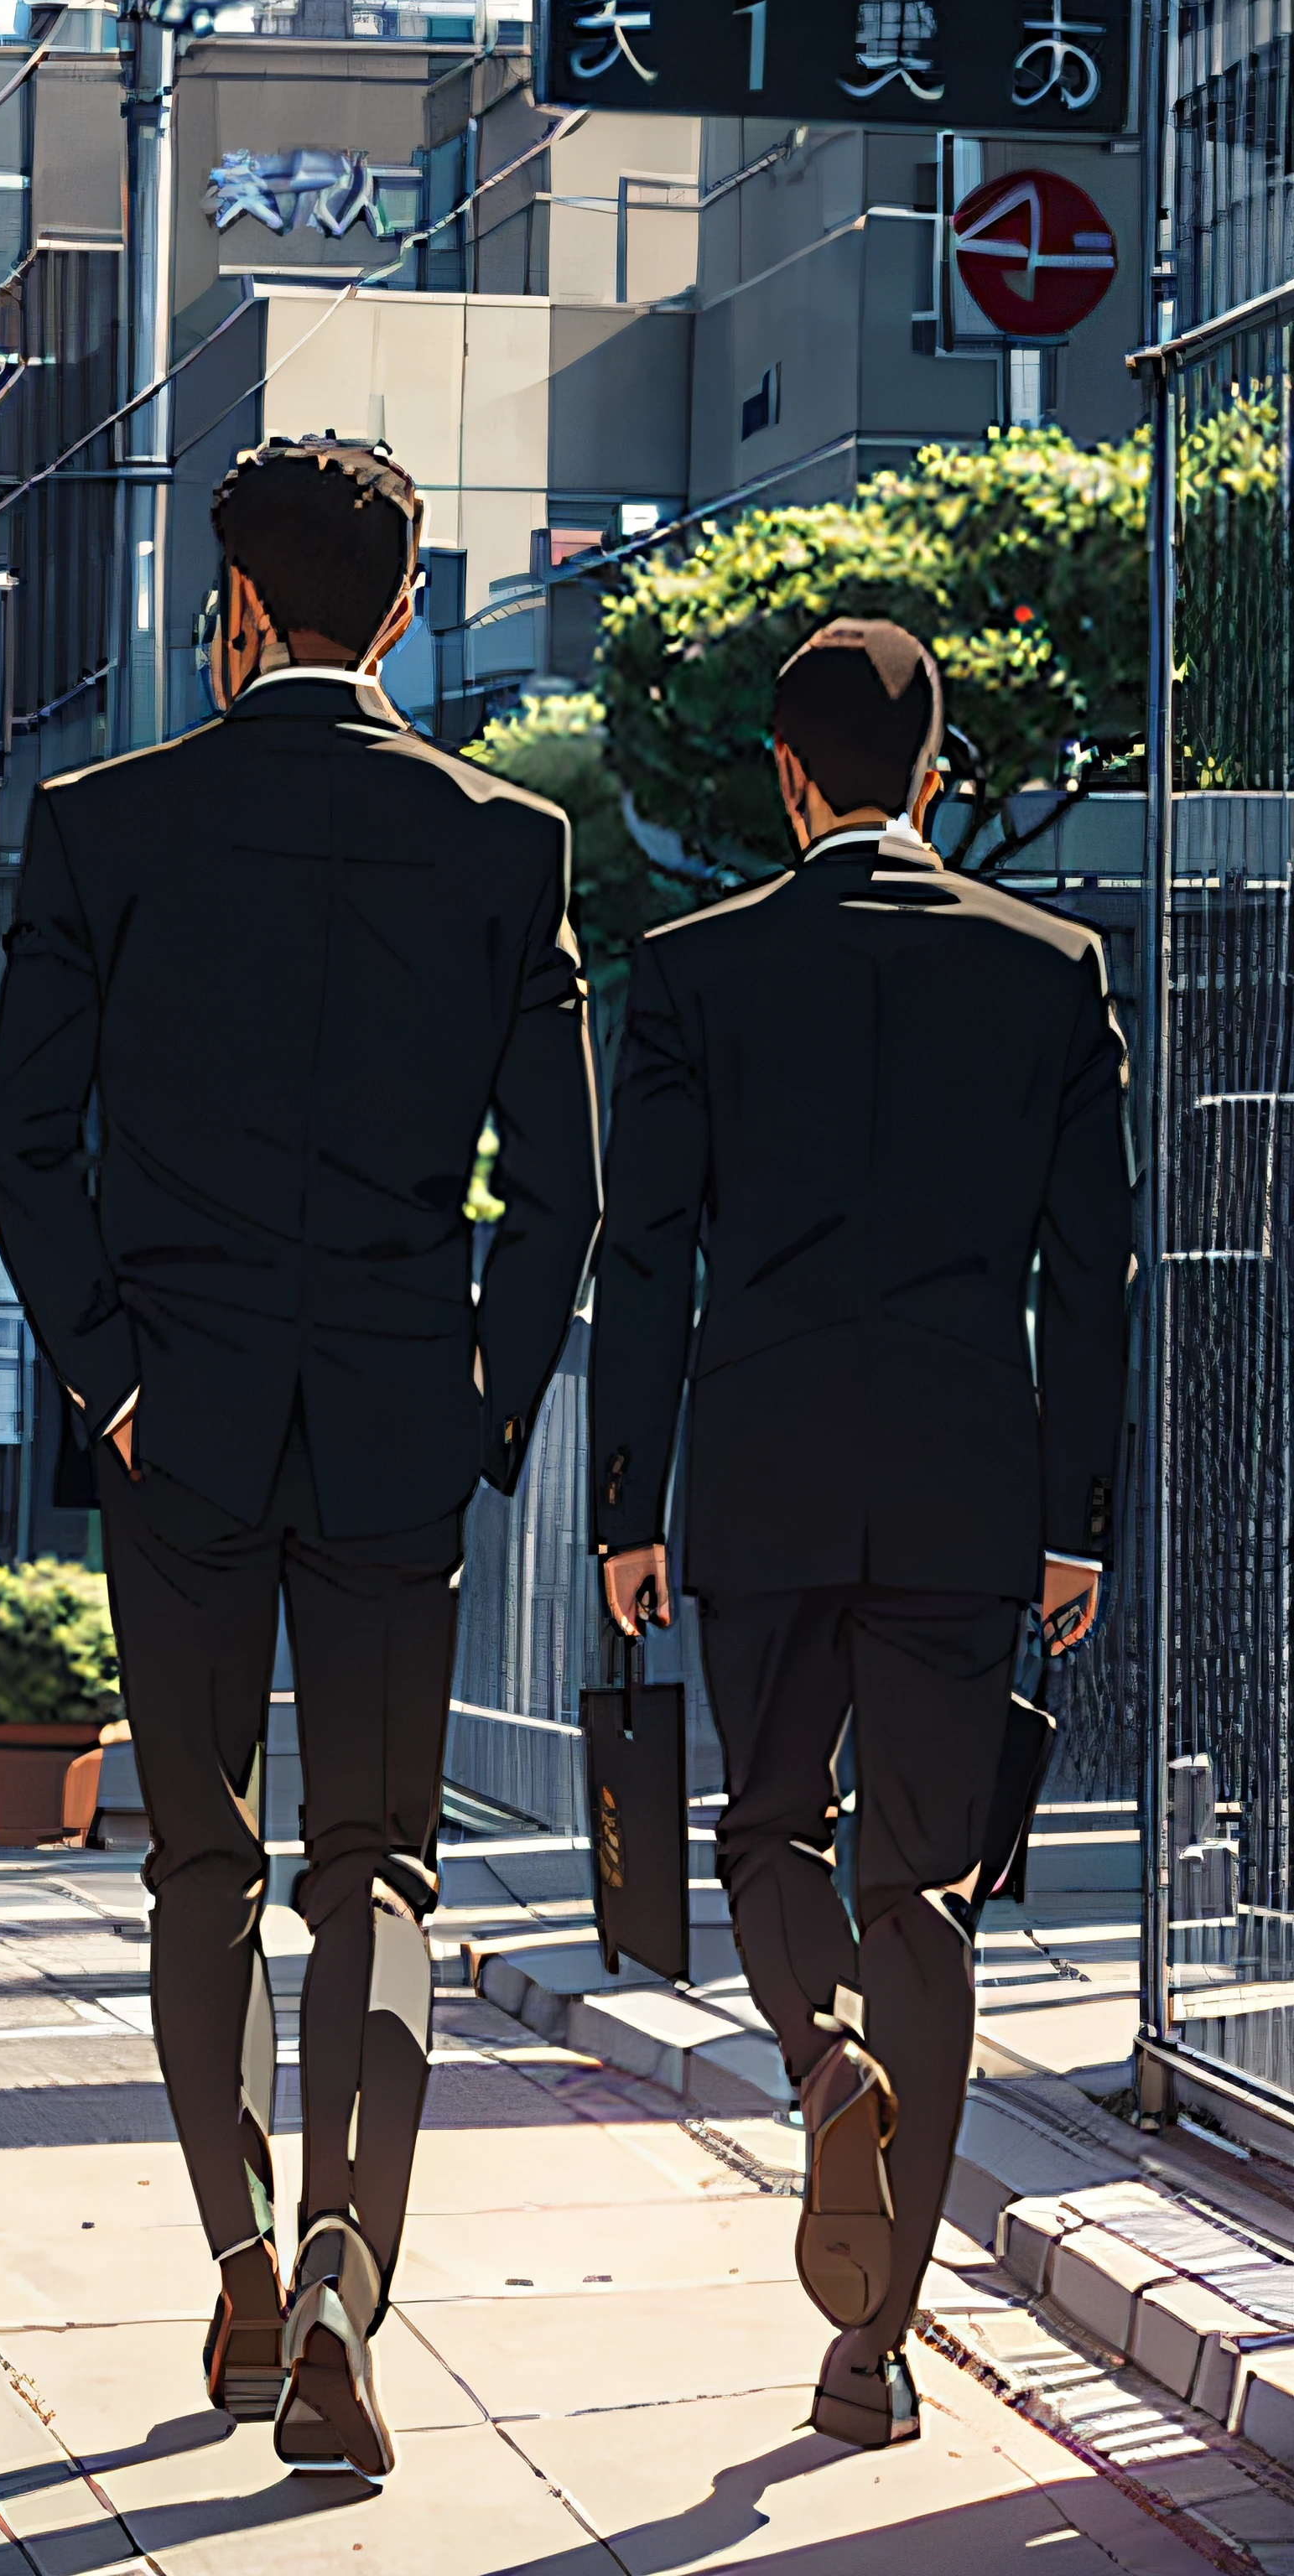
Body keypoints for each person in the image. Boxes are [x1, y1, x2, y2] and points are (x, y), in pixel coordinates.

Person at [0, 434, 600, 2481]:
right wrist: (483, 1397)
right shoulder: (507, 841)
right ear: (402, 605)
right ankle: (350, 2269)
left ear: (235, 604)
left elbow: (14, 1138)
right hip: (399, 1412)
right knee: (380, 1871)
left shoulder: (103, 823)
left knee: (200, 1858)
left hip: (183, 1419)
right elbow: (566, 1187)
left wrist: (113, 1372)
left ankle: (243, 2246)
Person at [592, 618, 1130, 2450]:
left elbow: (642, 1258)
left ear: (787, 779)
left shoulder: (687, 976)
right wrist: (1073, 1522)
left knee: (763, 1828)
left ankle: (820, 2066)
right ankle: (872, 2345)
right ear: (929, 775)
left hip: (753, 1477)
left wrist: (621, 1508)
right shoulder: (1048, 966)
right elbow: (1094, 1271)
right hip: (969, 1490)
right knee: (921, 1890)